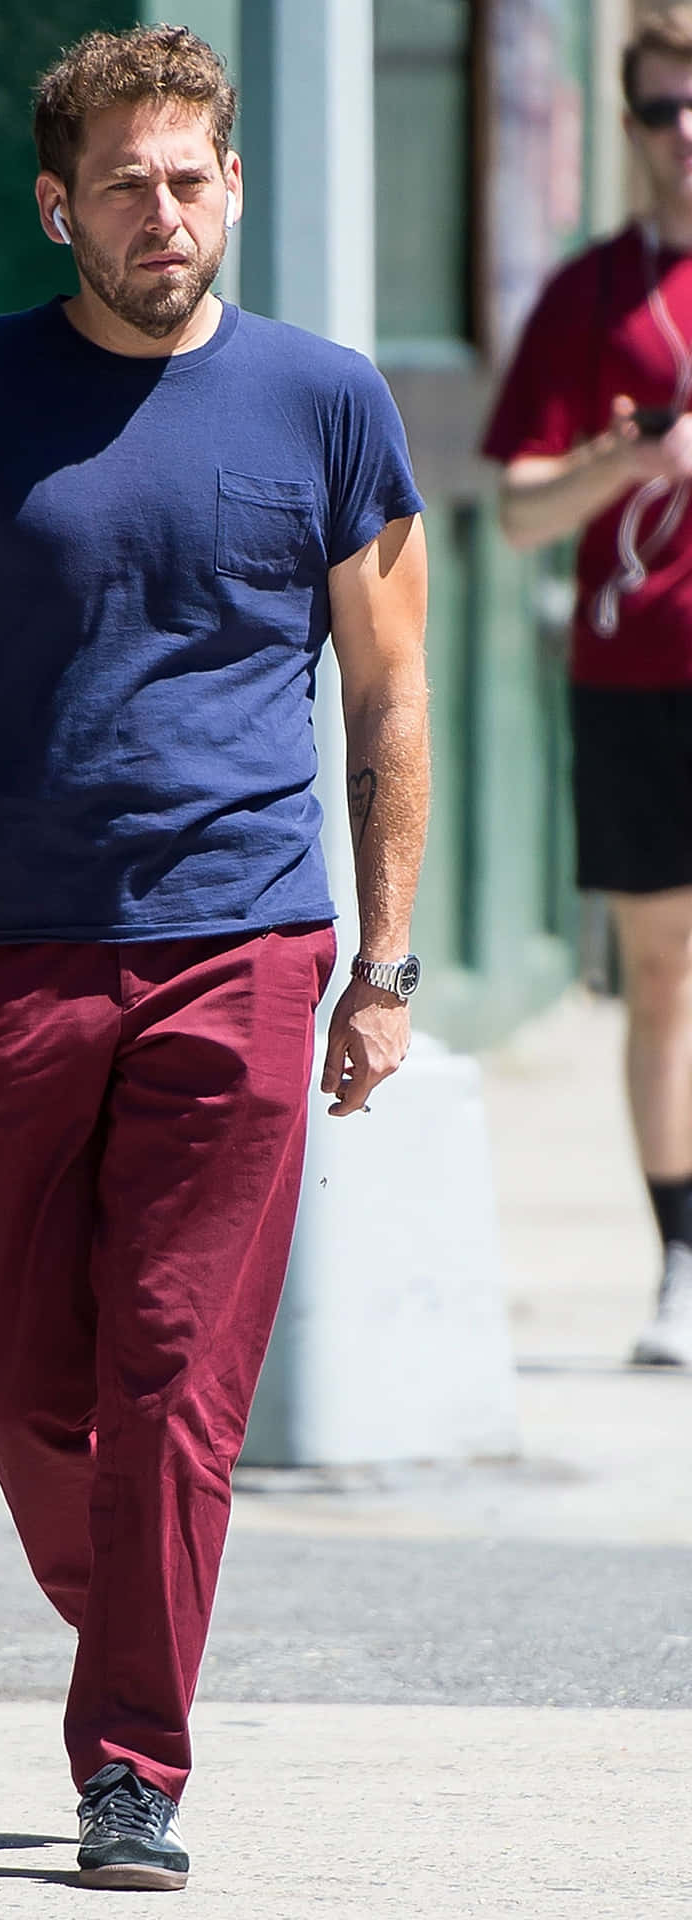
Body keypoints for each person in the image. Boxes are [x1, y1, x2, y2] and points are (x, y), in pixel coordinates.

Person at [0, 24, 428, 1892]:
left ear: (232, 186)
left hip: (243, 939)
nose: (161, 214)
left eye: (190, 179)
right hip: (8, 942)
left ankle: (130, 1767)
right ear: (55, 205)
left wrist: (386, 966)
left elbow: (396, 696)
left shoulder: (328, 404)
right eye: (123, 184)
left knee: (177, 1370)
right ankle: (136, 1620)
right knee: (14, 1376)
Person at [482, 7, 692, 1372]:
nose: (690, 135)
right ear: (629, 128)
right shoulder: (587, 299)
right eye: (667, 110)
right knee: (663, 971)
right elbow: (514, 515)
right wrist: (631, 464)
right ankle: (680, 1263)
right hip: (635, 677)